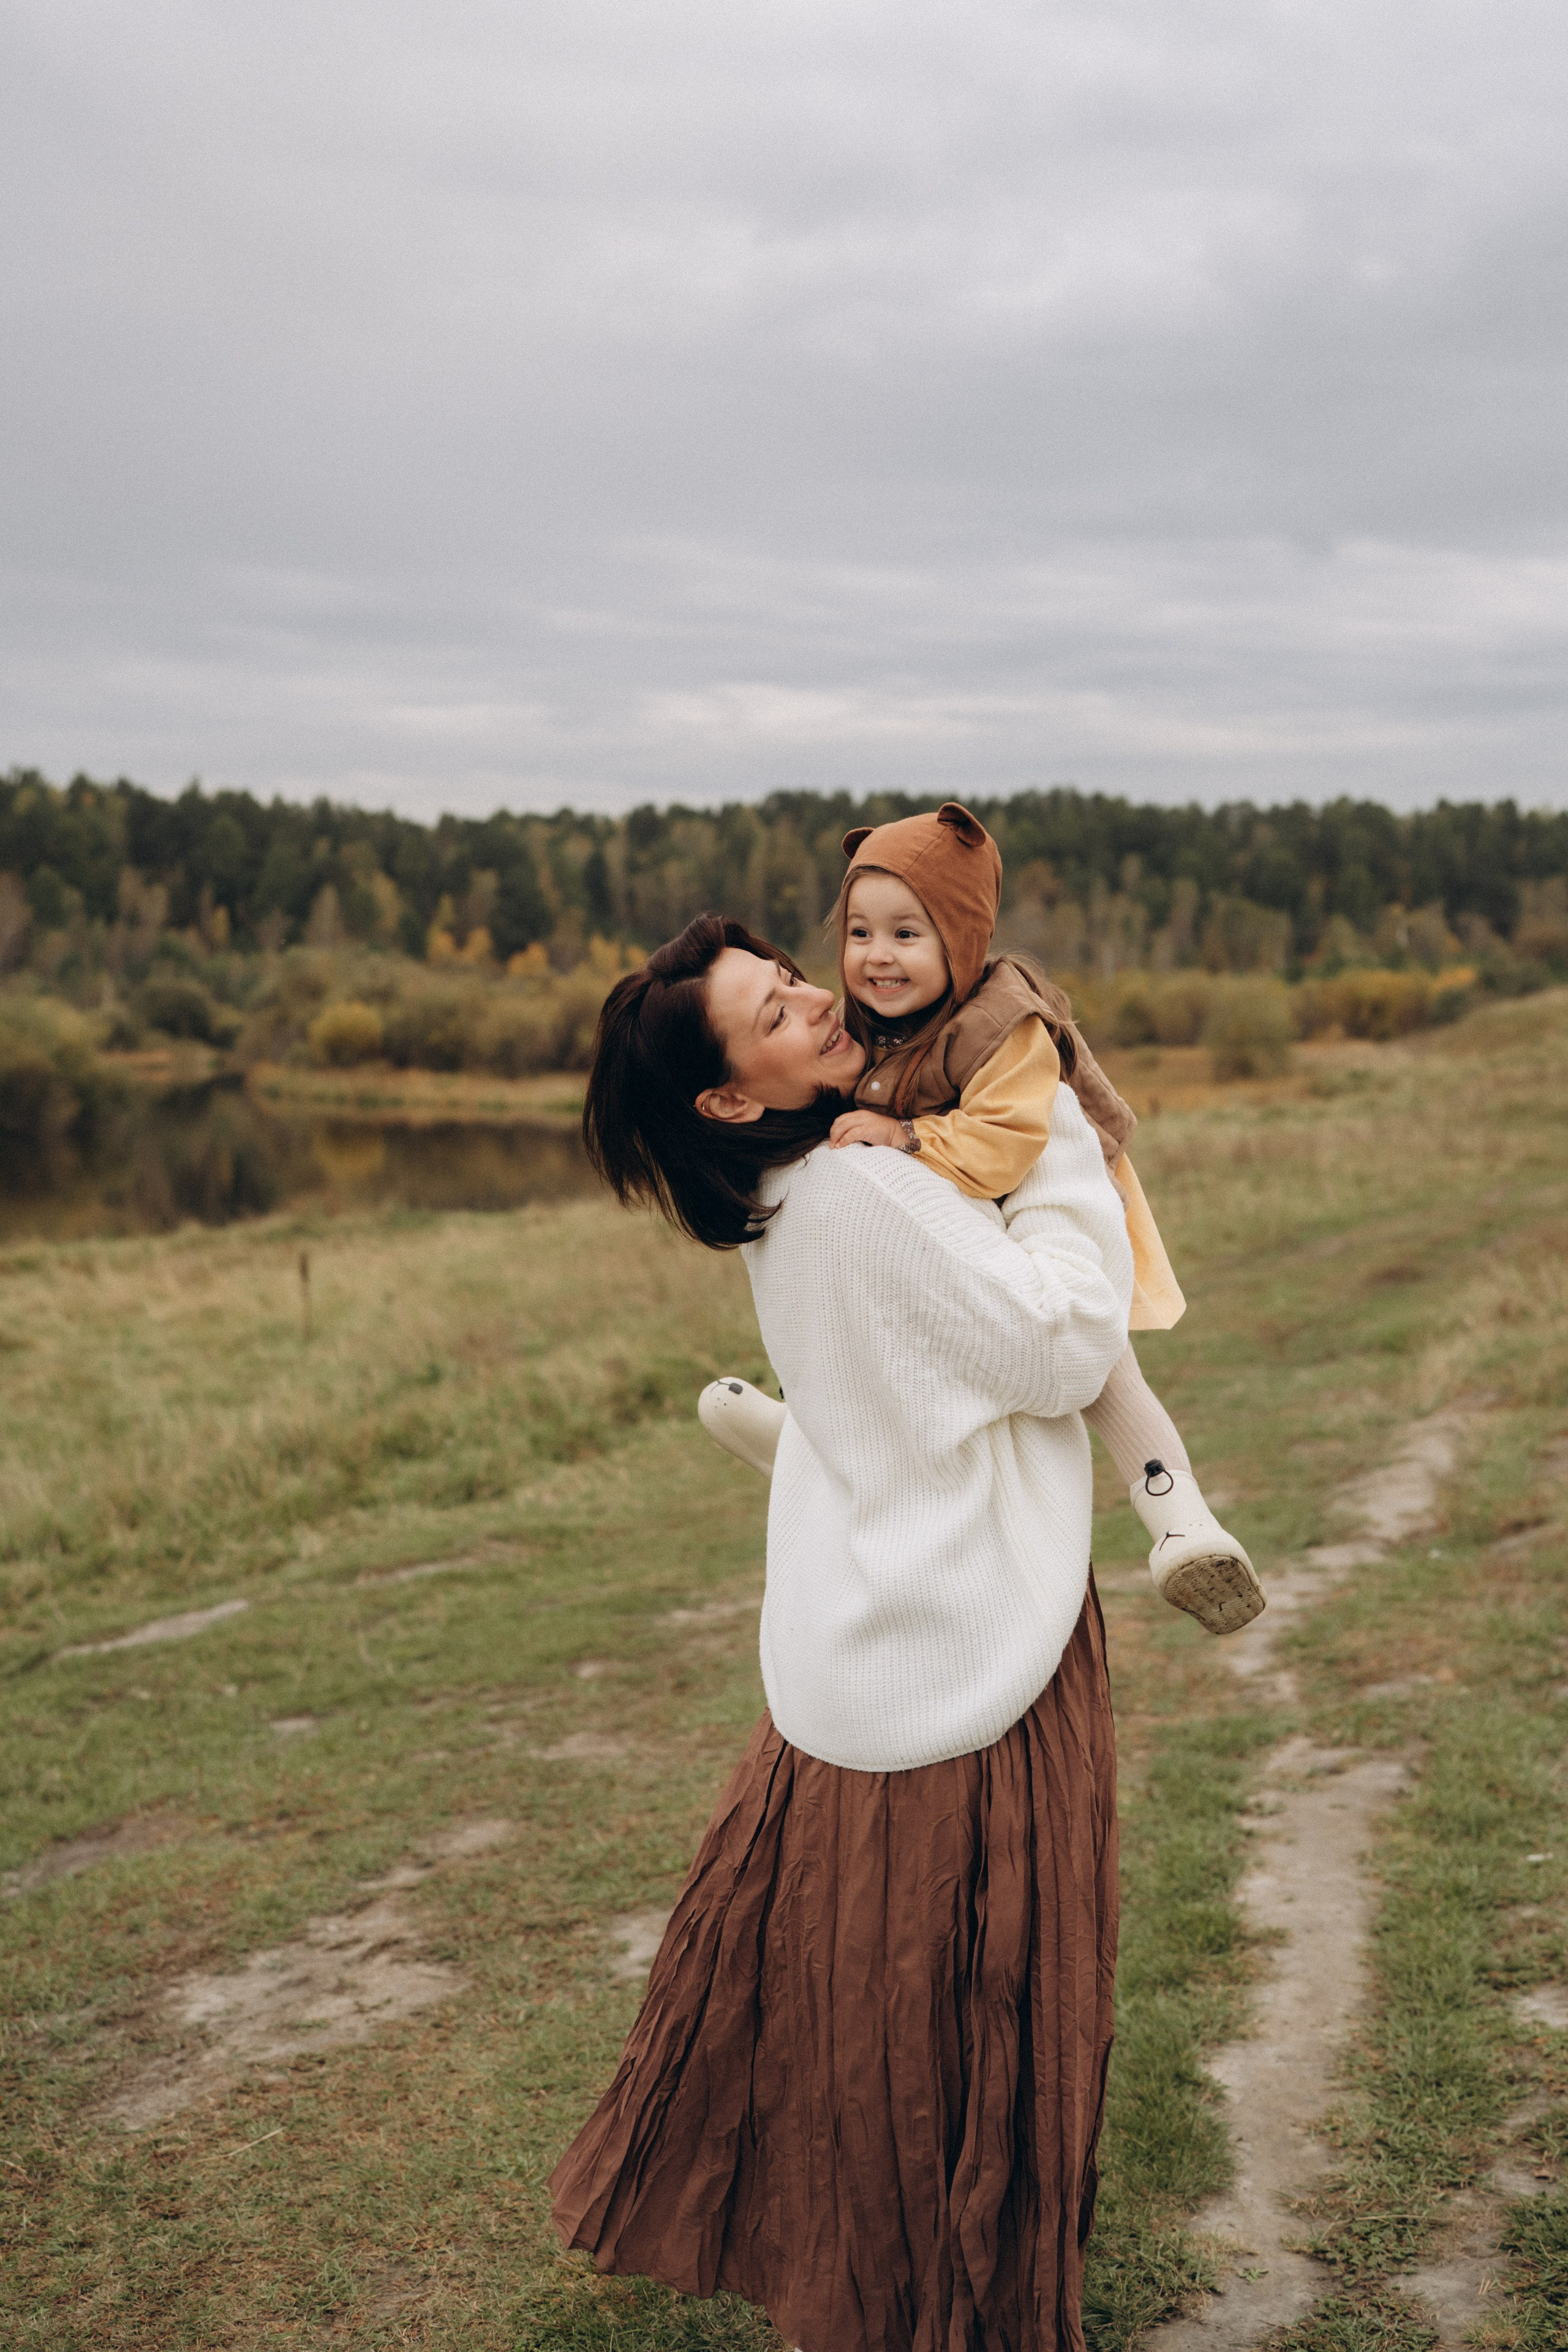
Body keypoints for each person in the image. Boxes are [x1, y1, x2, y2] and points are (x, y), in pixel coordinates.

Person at [551, 912, 1133, 2352]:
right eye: (773, 1015)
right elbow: (1068, 1345)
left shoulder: (789, 1193)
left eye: (792, 980)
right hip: (975, 1653)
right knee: (974, 2010)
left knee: (871, 2011)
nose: (817, 1002)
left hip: (866, 1653)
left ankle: (875, 2291)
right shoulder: (865, 1191)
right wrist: (1056, 1133)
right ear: (726, 1100)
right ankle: (949, 2307)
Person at [703, 803, 1264, 1638]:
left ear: (960, 941)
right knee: (850, 1296)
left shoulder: (1004, 1026)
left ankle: (1180, 1519)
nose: (876, 957)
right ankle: (809, 1443)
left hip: (1027, 1194)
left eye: (906, 935)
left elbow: (1006, 1146)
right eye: (858, 933)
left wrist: (907, 1139)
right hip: (953, 1193)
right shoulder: (869, 1018)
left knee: (1102, 1366)